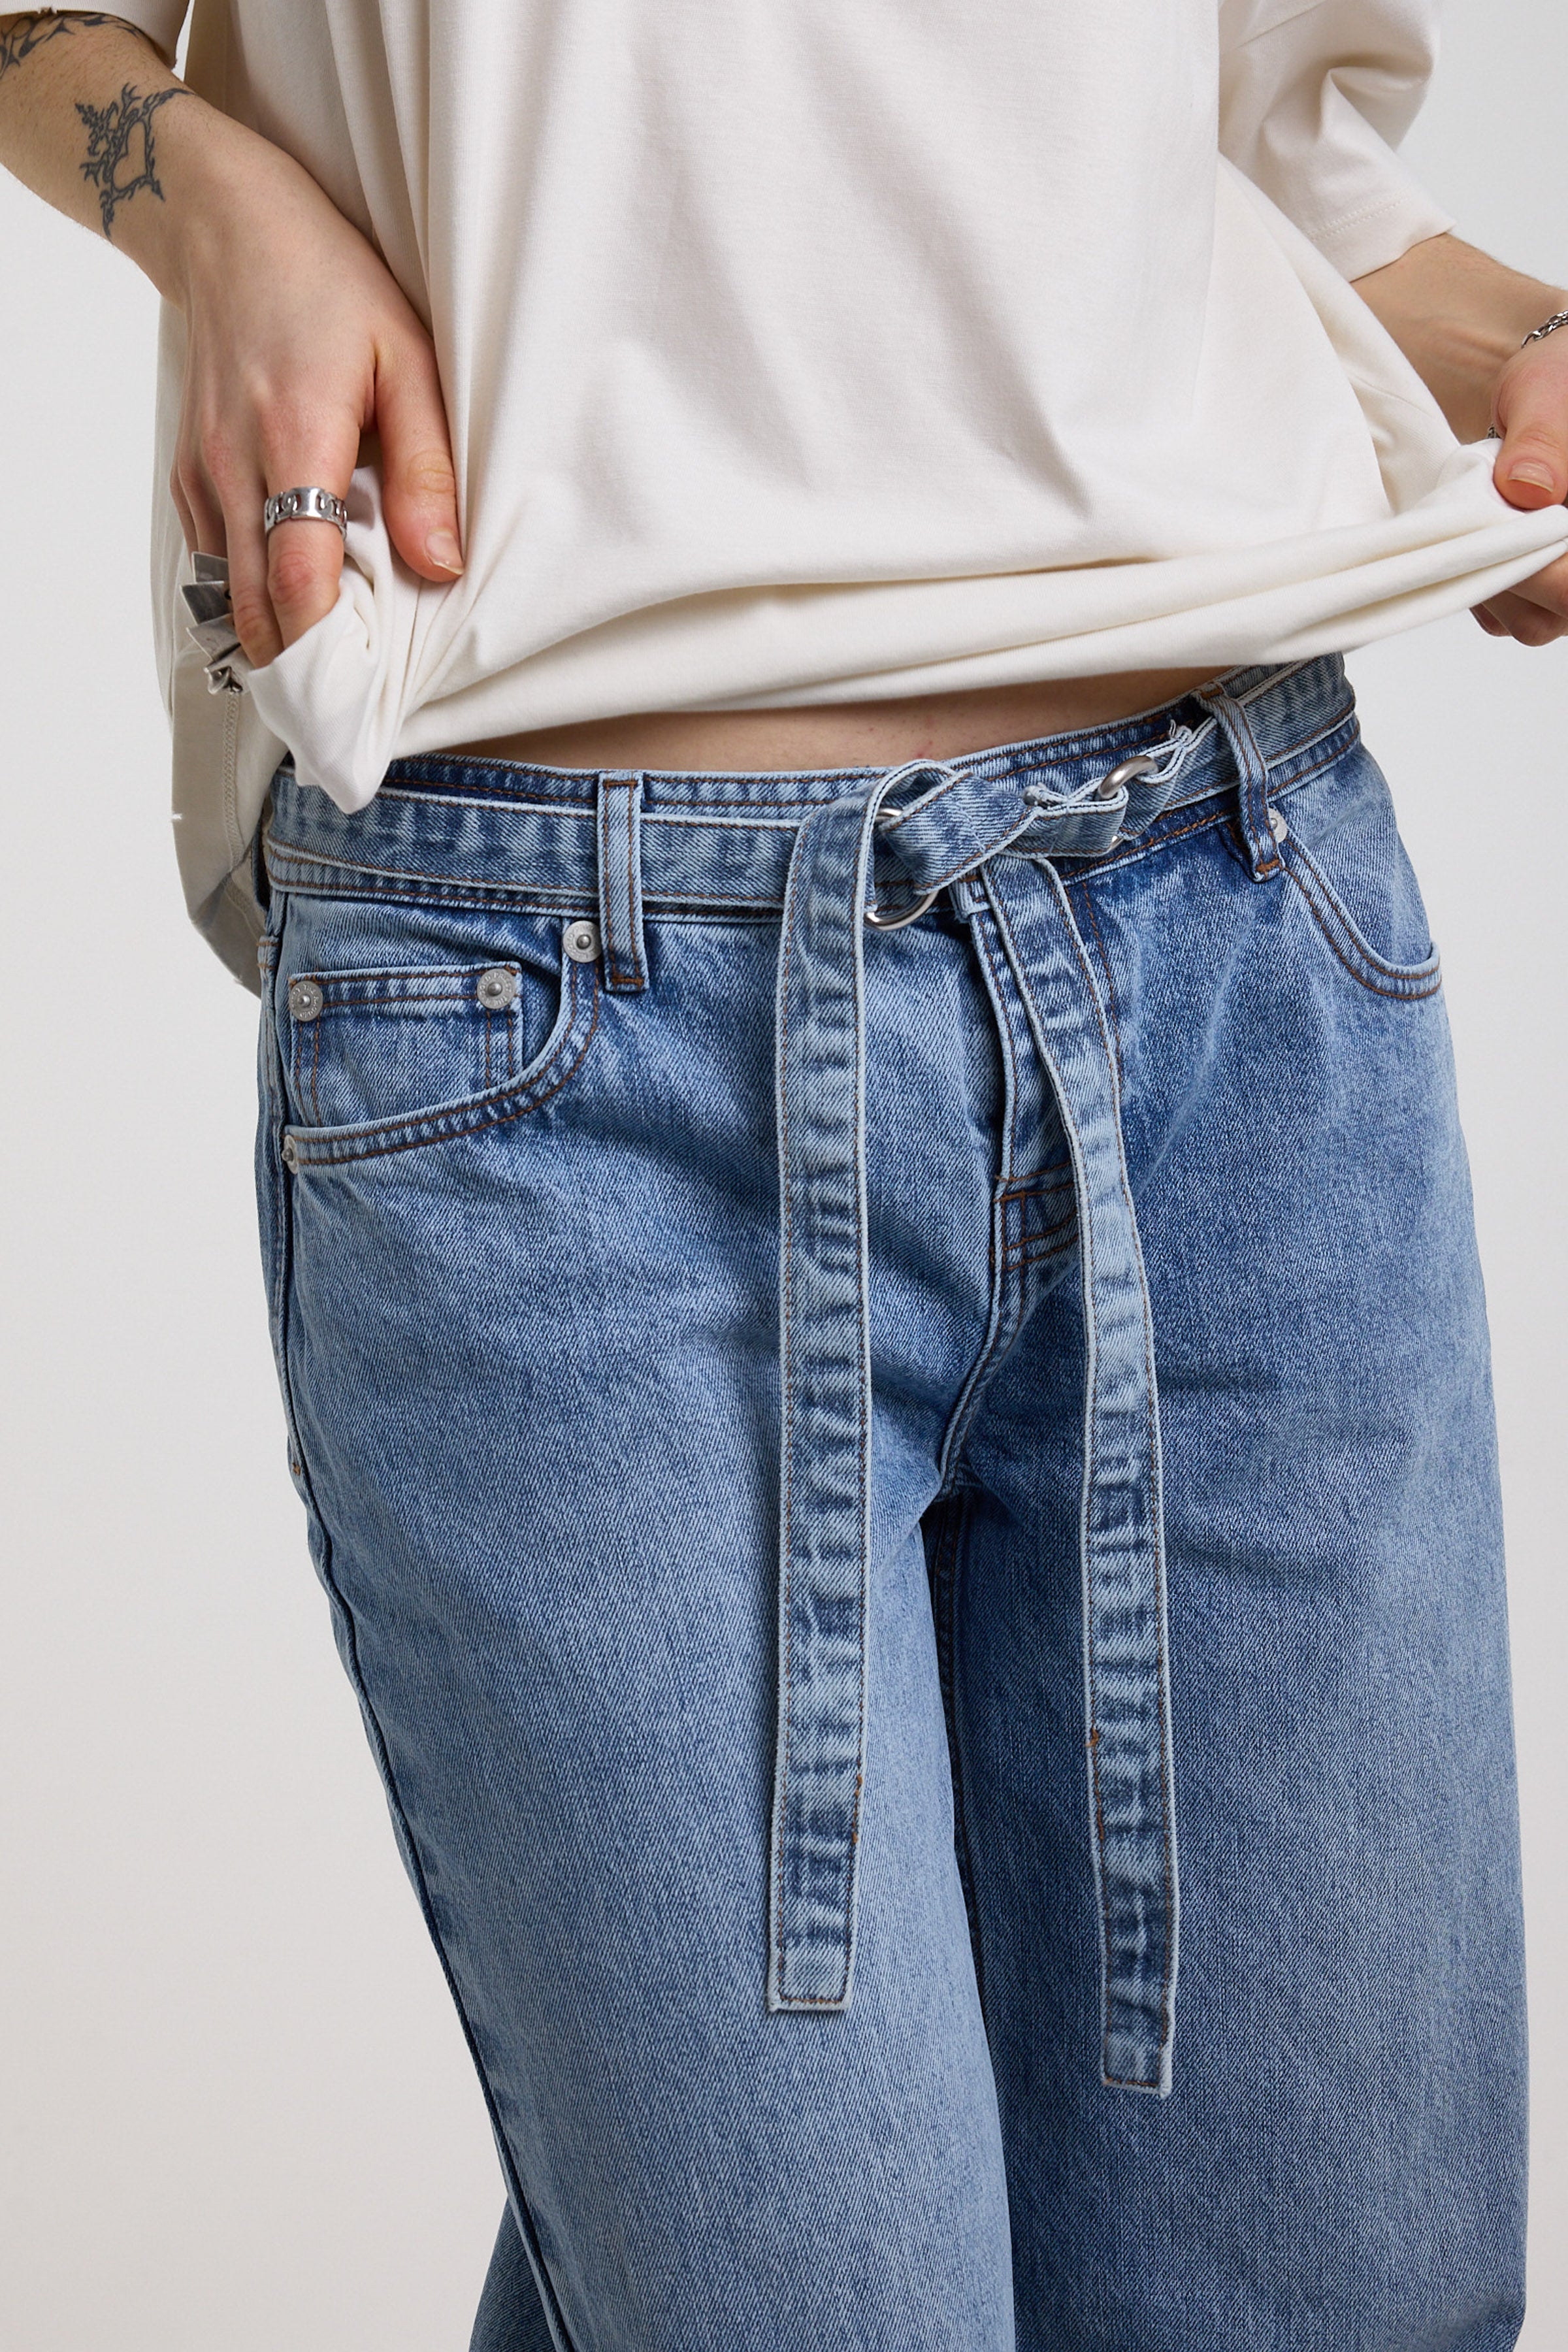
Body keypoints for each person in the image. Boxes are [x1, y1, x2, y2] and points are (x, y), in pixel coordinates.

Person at [2, 5, 1563, 2345]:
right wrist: (205, 197)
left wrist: (1509, 327)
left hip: (1227, 919)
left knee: (1331, 2305)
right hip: (566, 1025)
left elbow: (1226, 135)